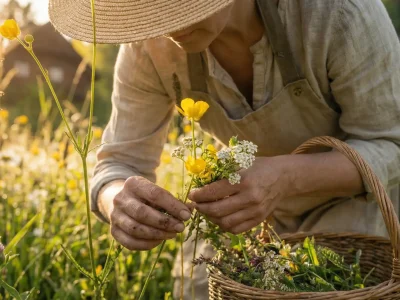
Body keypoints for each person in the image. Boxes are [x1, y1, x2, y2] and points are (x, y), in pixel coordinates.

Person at [49, 0, 400, 299]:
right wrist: (117, 202)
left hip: (357, 203)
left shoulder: (337, 15)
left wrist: (284, 178)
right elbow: (118, 163)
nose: (169, 25)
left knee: (332, 283)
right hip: (239, 211)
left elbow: (390, 144)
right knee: (201, 284)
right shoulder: (148, 46)